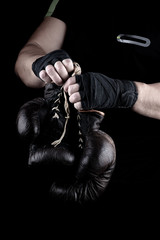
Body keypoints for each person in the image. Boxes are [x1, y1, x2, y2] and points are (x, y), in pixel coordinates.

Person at [15, 0, 160, 190]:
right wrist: (42, 64)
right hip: (66, 165)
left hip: (143, 171)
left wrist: (122, 92)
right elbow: (26, 58)